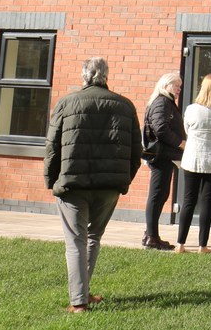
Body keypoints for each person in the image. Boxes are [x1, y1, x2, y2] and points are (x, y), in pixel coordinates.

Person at [44, 57, 141, 314]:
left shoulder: (66, 103)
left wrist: (50, 180)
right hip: (108, 186)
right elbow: (135, 152)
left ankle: (78, 302)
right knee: (93, 237)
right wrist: (124, 179)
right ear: (106, 76)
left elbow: (52, 147)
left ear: (84, 76)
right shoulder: (125, 105)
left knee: (76, 241)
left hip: (73, 184)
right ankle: (82, 294)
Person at [174, 73, 211, 253]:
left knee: (188, 200)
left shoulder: (191, 109)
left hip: (192, 158)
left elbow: (187, 131)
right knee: (207, 201)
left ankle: (180, 244)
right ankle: (202, 245)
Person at [142, 72, 185, 251]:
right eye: (176, 85)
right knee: (157, 195)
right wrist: (180, 142)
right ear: (166, 85)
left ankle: (151, 234)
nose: (179, 89)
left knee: (161, 195)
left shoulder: (165, 102)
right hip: (161, 156)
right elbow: (160, 128)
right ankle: (152, 237)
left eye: (180, 86)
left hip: (165, 156)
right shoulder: (162, 102)